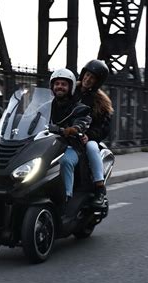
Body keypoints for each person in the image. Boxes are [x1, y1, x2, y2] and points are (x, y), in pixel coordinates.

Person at [72, 60, 114, 207]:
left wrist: (88, 135)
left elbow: (104, 127)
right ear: (83, 74)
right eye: (87, 75)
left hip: (85, 137)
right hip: (66, 134)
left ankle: (99, 187)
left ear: (97, 82)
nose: (88, 79)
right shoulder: (70, 91)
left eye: (93, 78)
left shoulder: (100, 102)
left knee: (92, 147)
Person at [49, 68, 92, 204]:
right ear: (52, 86)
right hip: (48, 146)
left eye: (63, 84)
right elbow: (31, 117)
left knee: (66, 161)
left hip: (70, 147)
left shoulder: (78, 107)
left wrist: (72, 129)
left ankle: (66, 198)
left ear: (70, 87)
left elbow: (83, 122)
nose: (60, 87)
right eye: (57, 84)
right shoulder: (46, 105)